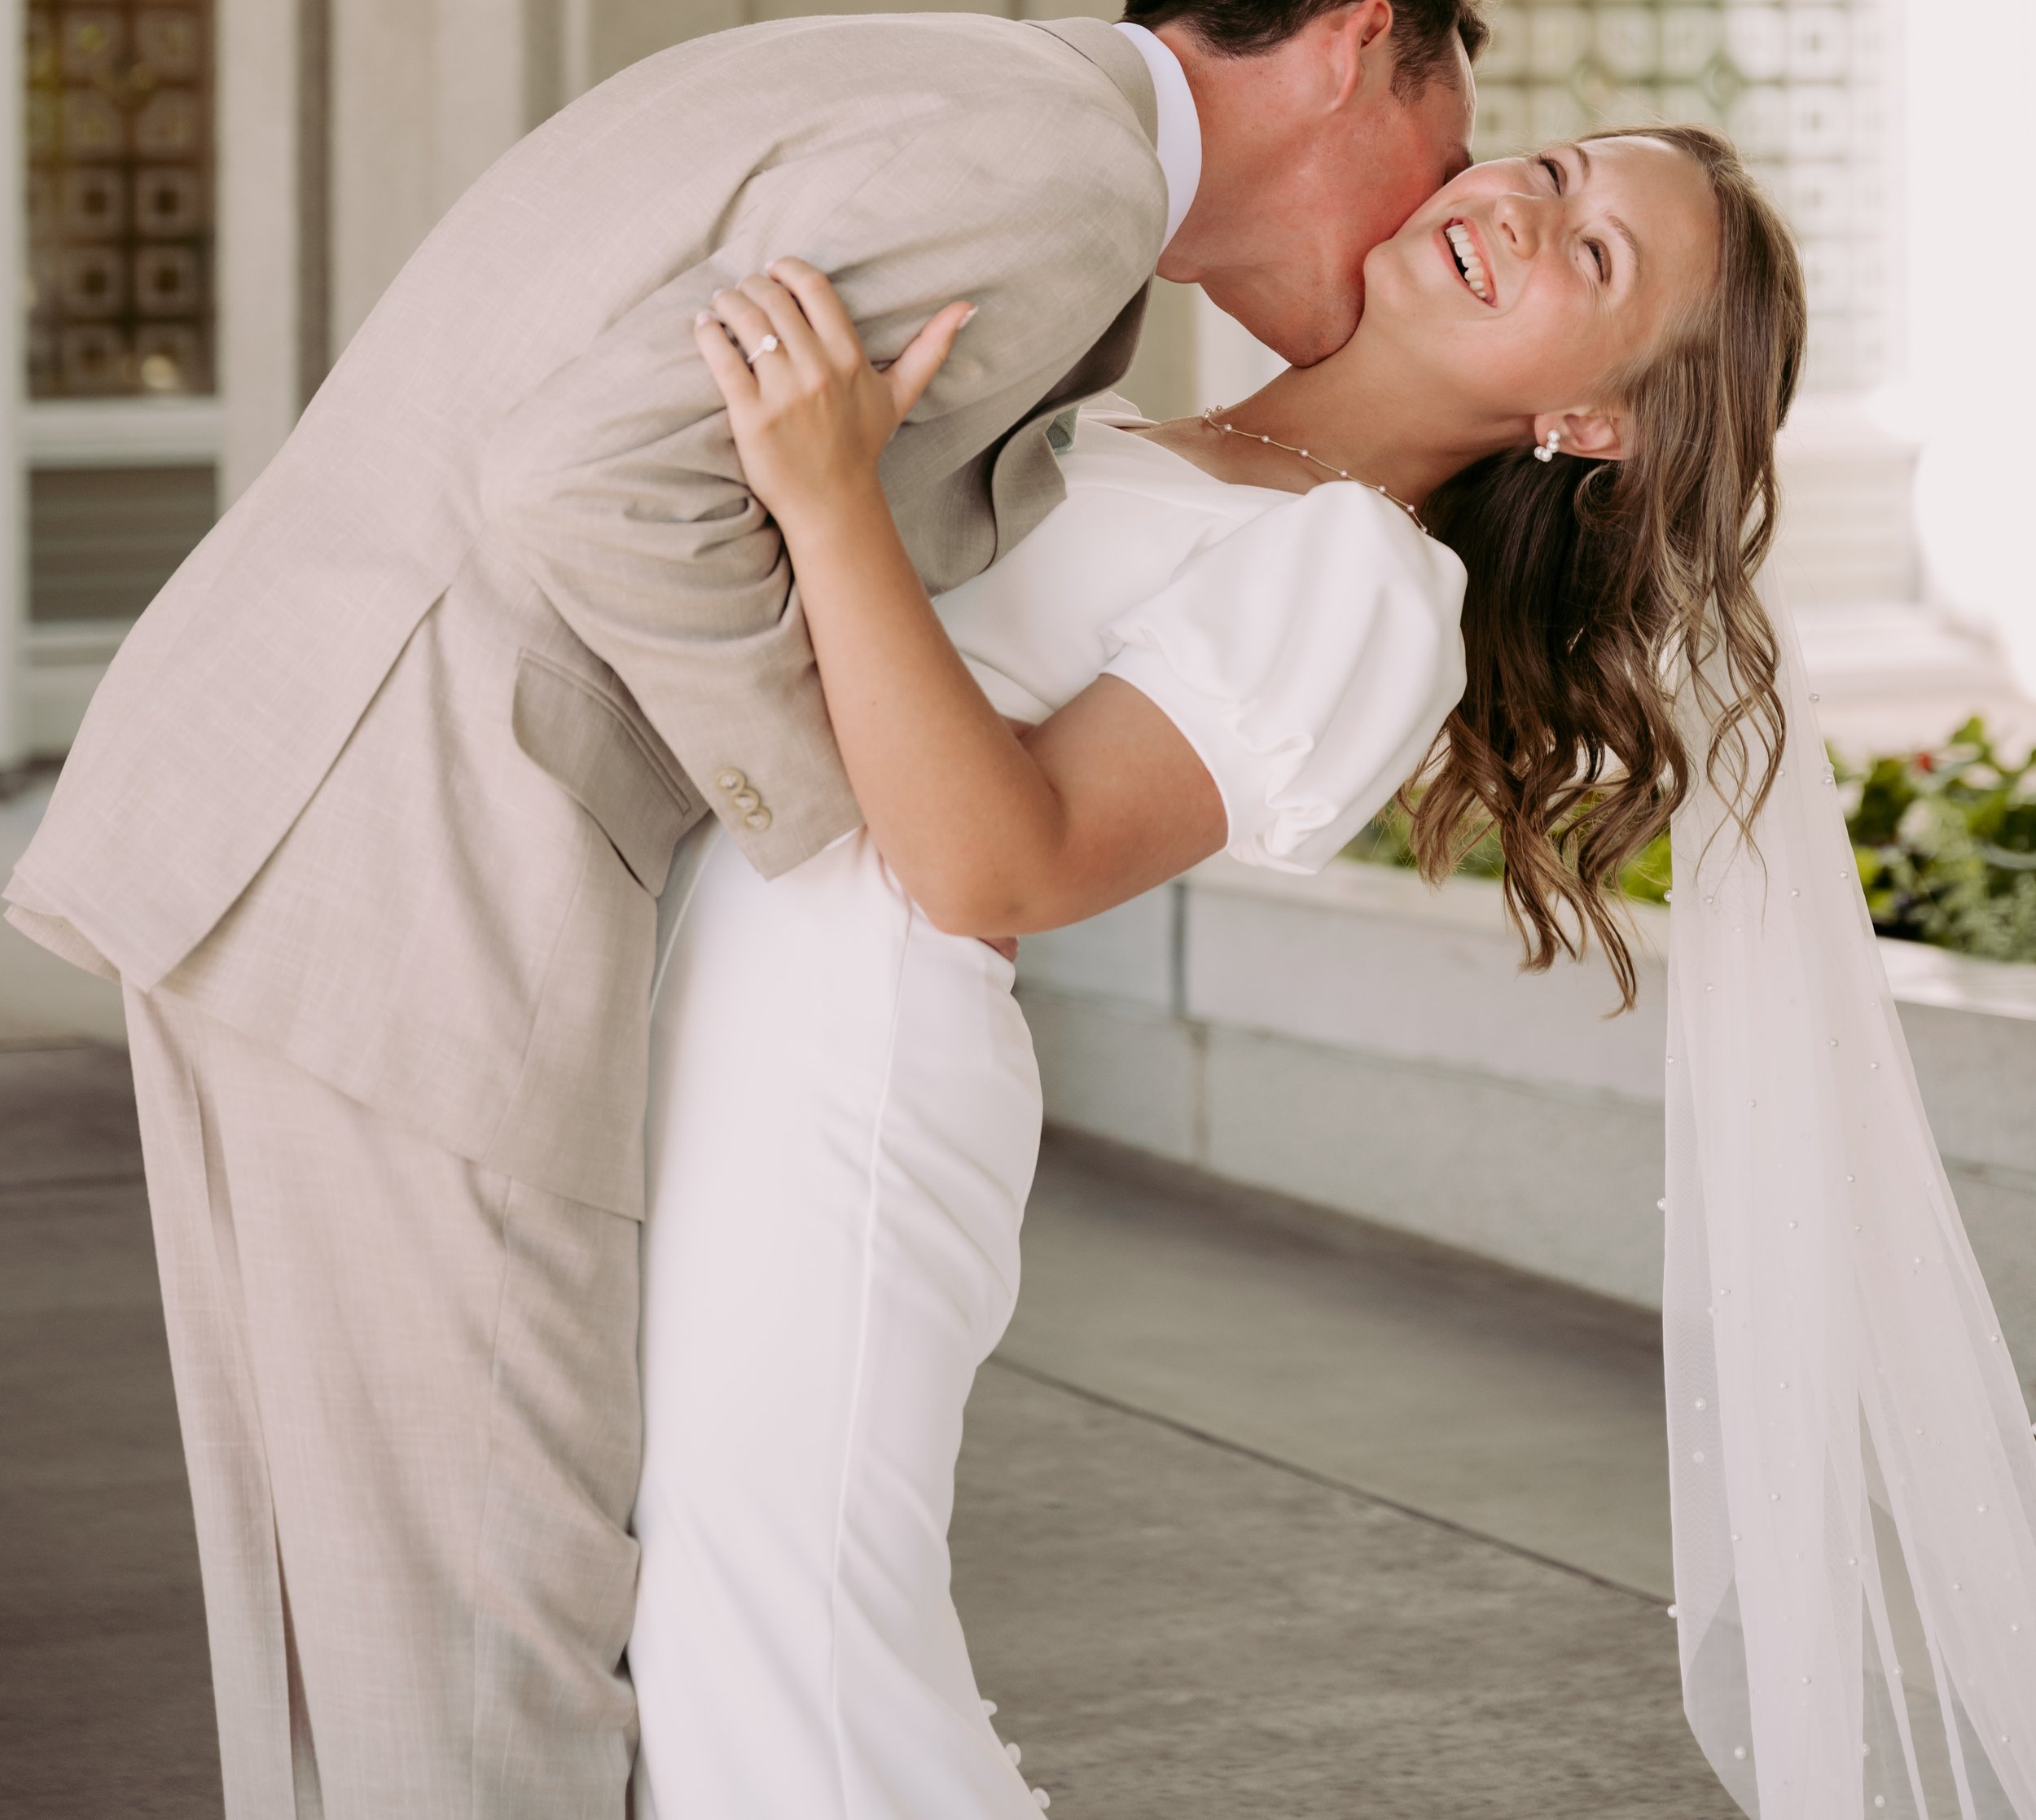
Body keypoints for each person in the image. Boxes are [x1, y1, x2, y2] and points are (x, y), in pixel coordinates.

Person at [4, 0, 1481, 1818]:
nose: (1425, 227)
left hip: (292, 805)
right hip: (429, 858)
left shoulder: (936, 79)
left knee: (356, 1623)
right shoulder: (1061, 180)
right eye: (1440, 160)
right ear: (1352, 47)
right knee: (483, 1662)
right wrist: (840, 828)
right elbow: (590, 481)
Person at [643, 126, 2036, 1820]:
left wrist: (823, 491)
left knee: (781, 1656)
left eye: (1594, 256)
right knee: (681, 1622)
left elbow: (997, 864)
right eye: (1547, 163)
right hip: (702, 996)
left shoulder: (1361, 578)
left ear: (1589, 421)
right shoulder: (1118, 425)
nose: (1522, 209)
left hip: (841, 1063)